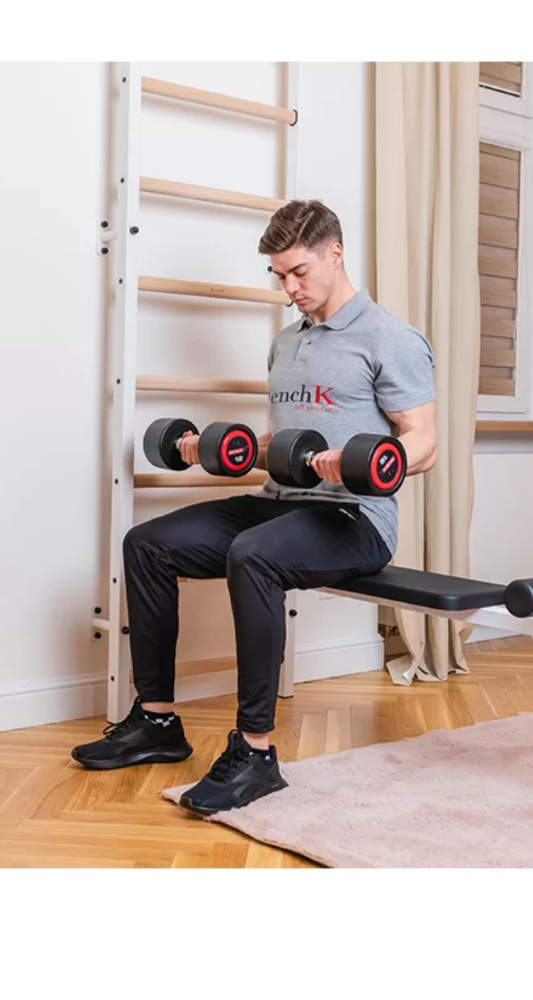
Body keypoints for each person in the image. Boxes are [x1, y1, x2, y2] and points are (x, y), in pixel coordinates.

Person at [72, 199, 438, 815]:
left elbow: (423, 444)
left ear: (335, 253)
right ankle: (157, 722)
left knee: (254, 554)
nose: (290, 288)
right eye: (280, 277)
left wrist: (359, 458)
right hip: (282, 502)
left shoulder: (390, 339)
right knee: (148, 545)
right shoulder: (286, 345)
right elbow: (284, 444)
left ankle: (256, 751)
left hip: (353, 517)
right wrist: (214, 447)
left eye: (299, 272)